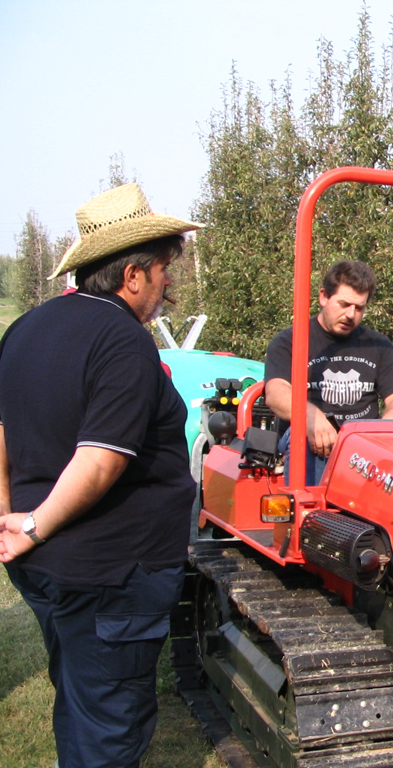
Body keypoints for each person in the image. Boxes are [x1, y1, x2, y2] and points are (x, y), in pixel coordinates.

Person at [0, 183, 199, 768]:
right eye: (165, 269)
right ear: (133, 275)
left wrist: (9, 513)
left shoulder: (25, 330)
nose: (169, 283)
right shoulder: (122, 342)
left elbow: (3, 430)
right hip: (110, 573)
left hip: (49, 570)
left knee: (83, 701)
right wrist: (32, 524)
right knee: (110, 727)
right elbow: (102, 459)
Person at [264, 260, 393, 485]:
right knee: (310, 438)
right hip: (310, 440)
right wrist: (312, 417)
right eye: (344, 304)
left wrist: (385, 427)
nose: (351, 314)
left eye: (359, 308)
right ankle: (313, 515)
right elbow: (276, 393)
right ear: (324, 297)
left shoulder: (379, 345)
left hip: (363, 443)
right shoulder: (291, 341)